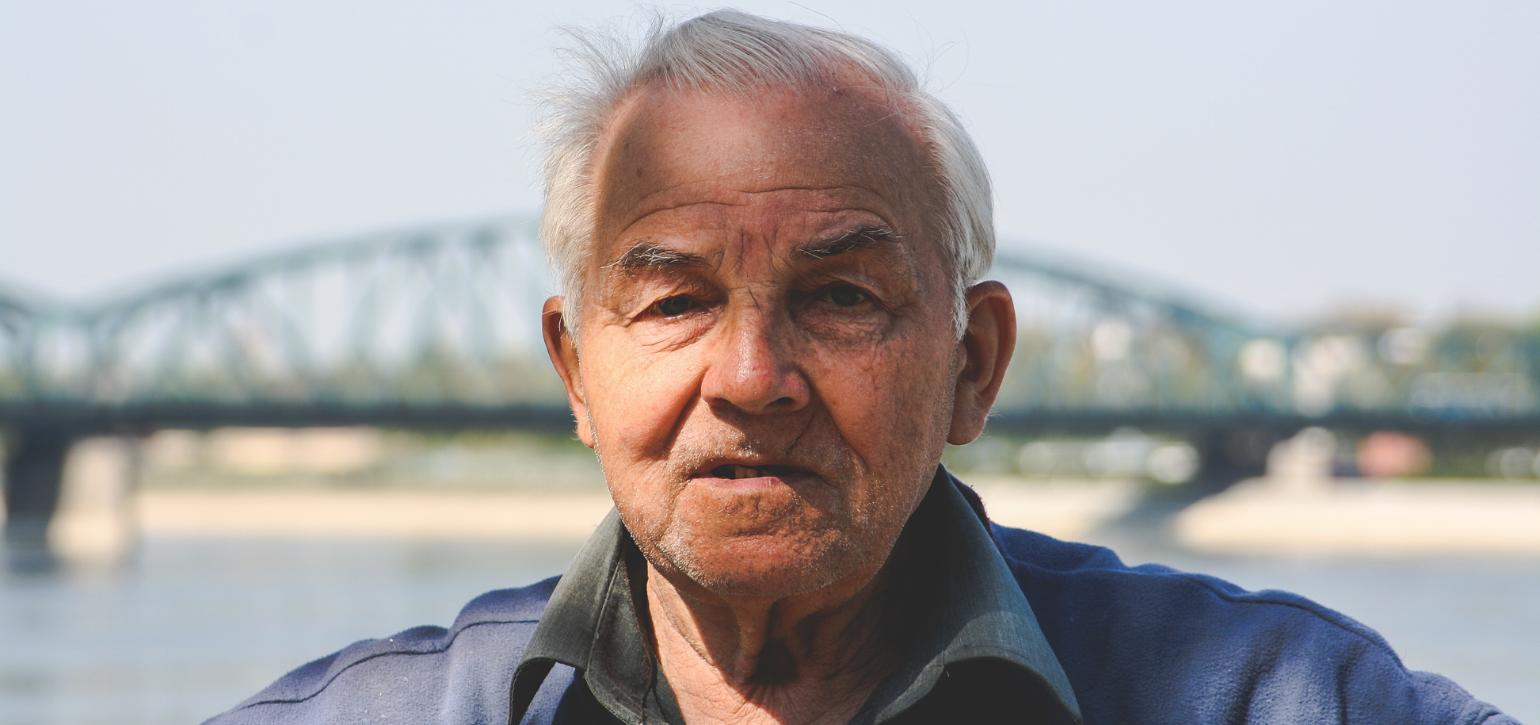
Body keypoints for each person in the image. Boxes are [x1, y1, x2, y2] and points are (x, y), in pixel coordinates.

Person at [209, 10, 1512, 724]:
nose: (753, 372)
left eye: (840, 295)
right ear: (574, 367)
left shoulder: (1265, 702)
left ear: (973, 365)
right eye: (673, 299)